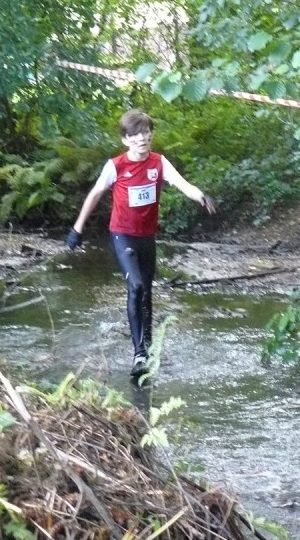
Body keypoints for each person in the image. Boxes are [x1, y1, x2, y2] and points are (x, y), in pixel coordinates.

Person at [66, 109, 215, 379]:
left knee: (146, 292)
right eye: (135, 135)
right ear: (126, 139)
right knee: (134, 286)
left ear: (151, 134)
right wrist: (78, 228)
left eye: (145, 132)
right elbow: (95, 193)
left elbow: (183, 184)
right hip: (122, 234)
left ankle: (145, 346)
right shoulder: (116, 166)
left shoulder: (159, 163)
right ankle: (138, 354)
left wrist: (200, 195)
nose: (141, 138)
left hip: (147, 237)